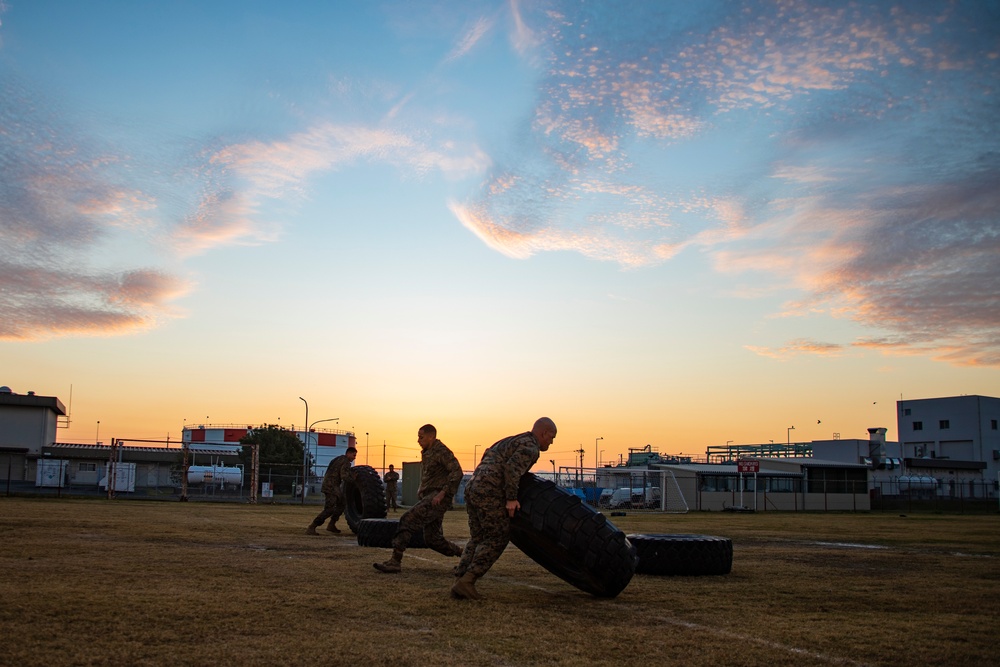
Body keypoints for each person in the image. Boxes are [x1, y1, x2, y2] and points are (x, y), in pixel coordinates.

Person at [451, 417, 557, 600]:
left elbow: (487, 454)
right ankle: (467, 581)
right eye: (552, 437)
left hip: (473, 487)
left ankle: (461, 576)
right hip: (489, 492)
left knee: (478, 537)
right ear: (544, 432)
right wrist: (511, 498)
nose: (552, 441)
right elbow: (512, 469)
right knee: (498, 537)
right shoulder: (531, 448)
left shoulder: (511, 440)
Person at [373, 424, 464, 573]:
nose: (418, 440)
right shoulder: (428, 452)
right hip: (429, 495)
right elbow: (431, 474)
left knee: (407, 520)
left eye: (421, 437)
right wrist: (421, 489)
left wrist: (442, 493)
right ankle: (465, 556)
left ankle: (395, 561)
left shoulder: (442, 451)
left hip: (437, 498)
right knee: (433, 539)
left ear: (431, 437)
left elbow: (457, 472)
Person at [306, 446, 357, 535]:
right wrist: (353, 479)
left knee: (342, 503)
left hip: (331, 485)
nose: (354, 457)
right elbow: (344, 476)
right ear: (348, 453)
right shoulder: (346, 462)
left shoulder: (337, 459)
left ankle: (331, 524)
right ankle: (312, 526)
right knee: (329, 509)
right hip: (331, 487)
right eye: (353, 455)